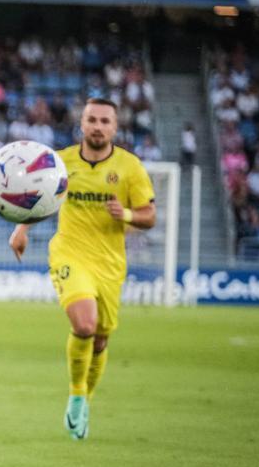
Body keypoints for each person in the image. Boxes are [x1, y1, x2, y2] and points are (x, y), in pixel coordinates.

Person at [9, 98, 156, 440]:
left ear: (114, 128)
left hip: (109, 263)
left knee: (101, 339)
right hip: (69, 254)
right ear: (82, 123)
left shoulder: (130, 167)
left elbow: (149, 215)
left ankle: (85, 400)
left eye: (105, 121)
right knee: (85, 324)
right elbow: (42, 200)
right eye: (92, 119)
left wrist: (129, 215)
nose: (98, 126)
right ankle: (76, 394)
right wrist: (21, 229)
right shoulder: (61, 162)